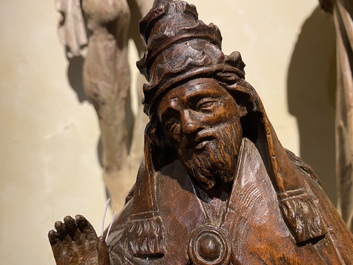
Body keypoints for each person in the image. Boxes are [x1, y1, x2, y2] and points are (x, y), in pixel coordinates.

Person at [49, 0, 353, 264]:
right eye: (171, 120)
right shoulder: (144, 217)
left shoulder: (298, 200)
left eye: (202, 103)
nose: (190, 126)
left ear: (240, 104)